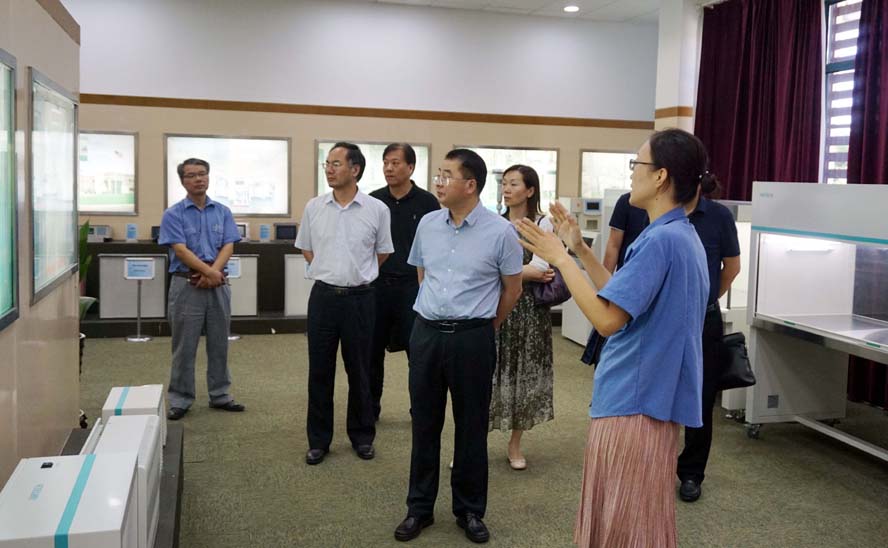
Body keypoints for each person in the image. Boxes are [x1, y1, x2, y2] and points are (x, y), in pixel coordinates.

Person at [516, 128, 711, 548]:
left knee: (625, 522)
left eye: (637, 164)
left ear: (660, 176)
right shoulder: (679, 234)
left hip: (633, 400)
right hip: (649, 398)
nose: (631, 173)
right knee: (638, 516)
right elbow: (620, 296)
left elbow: (606, 320)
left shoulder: (661, 241)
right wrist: (579, 249)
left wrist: (560, 259)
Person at [394, 149, 523, 544]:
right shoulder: (428, 224)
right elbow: (423, 275)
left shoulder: (500, 231)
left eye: (446, 175)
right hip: (427, 334)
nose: (438, 181)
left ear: (470, 185)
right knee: (424, 423)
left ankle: (469, 510)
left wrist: (485, 326)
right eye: (438, 174)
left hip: (473, 339)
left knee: (471, 427)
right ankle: (419, 508)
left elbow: (512, 288)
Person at [295, 142, 394, 465]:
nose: (329, 169)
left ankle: (362, 436)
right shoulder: (314, 207)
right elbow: (307, 248)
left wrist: (358, 273)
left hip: (361, 300)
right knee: (319, 372)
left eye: (335, 163)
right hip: (323, 298)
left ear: (355, 169)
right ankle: (318, 441)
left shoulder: (376, 209)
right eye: (327, 163)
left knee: (361, 371)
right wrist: (328, 269)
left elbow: (383, 252)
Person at [159, 158, 245, 421]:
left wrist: (213, 273)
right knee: (184, 346)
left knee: (219, 343)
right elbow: (180, 250)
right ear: (182, 181)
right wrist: (210, 273)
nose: (198, 179)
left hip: (217, 284)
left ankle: (220, 394)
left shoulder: (222, 211)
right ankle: (180, 399)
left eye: (203, 174)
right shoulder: (173, 214)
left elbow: (229, 245)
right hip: (187, 284)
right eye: (192, 175)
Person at [677, 178, 741, 502]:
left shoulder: (719, 216)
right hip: (665, 319)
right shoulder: (662, 212)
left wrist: (707, 297)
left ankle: (691, 472)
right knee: (658, 391)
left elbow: (732, 267)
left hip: (704, 318)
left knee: (700, 398)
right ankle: (653, 464)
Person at [488, 164, 556, 471]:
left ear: (530, 190)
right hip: (496, 307)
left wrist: (503, 271)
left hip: (530, 312)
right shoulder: (493, 222)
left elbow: (541, 268)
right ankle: (472, 443)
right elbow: (486, 267)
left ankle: (515, 444)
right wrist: (516, 272)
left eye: (514, 183)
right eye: (504, 183)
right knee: (487, 375)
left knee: (524, 376)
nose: (506, 188)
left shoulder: (543, 224)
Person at [368, 143, 440, 421]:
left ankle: (420, 411)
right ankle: (370, 410)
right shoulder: (373, 201)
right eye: (386, 162)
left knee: (418, 353)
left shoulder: (428, 203)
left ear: (411, 167)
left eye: (395, 163)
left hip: (413, 286)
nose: (389, 168)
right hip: (377, 286)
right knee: (371, 353)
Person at [581, 192, 649, 366]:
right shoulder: (627, 201)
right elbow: (613, 245)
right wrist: (606, 291)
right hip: (624, 284)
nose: (632, 179)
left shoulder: (667, 232)